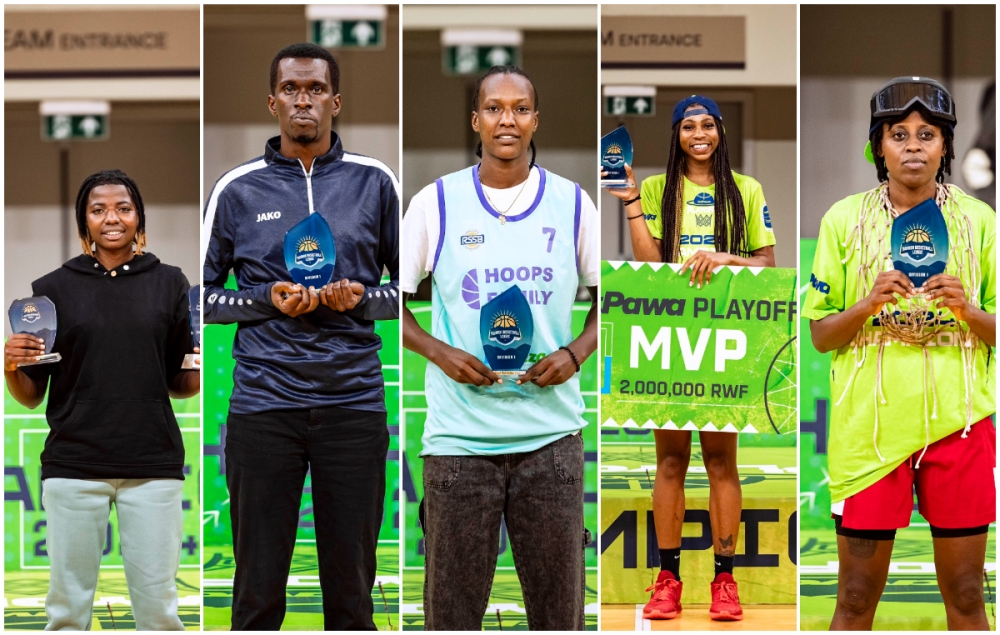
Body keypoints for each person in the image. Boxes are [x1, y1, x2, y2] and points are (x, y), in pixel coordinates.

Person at [201, 42, 399, 630]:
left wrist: (362, 300)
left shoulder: (374, 182)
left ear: (336, 102)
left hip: (353, 404)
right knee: (258, 591)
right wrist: (265, 298)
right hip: (265, 406)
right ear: (272, 102)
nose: (303, 100)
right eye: (291, 89)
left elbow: (412, 292)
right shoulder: (236, 189)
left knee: (351, 593)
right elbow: (202, 299)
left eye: (315, 90)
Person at [401, 65, 598, 630]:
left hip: (551, 441)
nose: (506, 119)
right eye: (494, 108)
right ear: (476, 120)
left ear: (535, 120)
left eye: (519, 108)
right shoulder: (435, 203)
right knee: (452, 616)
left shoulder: (572, 203)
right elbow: (393, 302)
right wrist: (440, 352)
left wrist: (576, 352)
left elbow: (611, 303)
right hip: (458, 444)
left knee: (560, 616)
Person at [805, 77, 995, 630]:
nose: (913, 145)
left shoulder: (981, 222)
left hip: (959, 428)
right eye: (898, 133)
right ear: (877, 145)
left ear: (946, 146)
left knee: (965, 596)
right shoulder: (843, 220)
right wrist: (865, 305)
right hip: (869, 432)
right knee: (856, 601)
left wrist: (969, 310)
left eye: (927, 134)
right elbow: (820, 336)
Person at [604, 95, 777, 621]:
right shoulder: (658, 189)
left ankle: (725, 581)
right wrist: (631, 200)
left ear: (720, 132)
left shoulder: (745, 190)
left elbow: (768, 264)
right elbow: (649, 263)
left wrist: (726, 258)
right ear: (676, 134)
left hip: (725, 335)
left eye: (707, 125)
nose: (698, 134)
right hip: (670, 334)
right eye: (687, 126)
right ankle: (669, 578)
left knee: (722, 461)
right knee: (671, 461)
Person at [4, 169, 200, 630]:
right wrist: (10, 365)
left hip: (153, 465)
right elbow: (31, 396)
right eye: (98, 210)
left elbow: (179, 382)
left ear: (139, 218)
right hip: (73, 466)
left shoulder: (170, 283)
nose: (112, 217)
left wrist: (196, 366)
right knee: (67, 610)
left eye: (123, 208)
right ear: (83, 224)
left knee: (159, 610)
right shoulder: (51, 289)